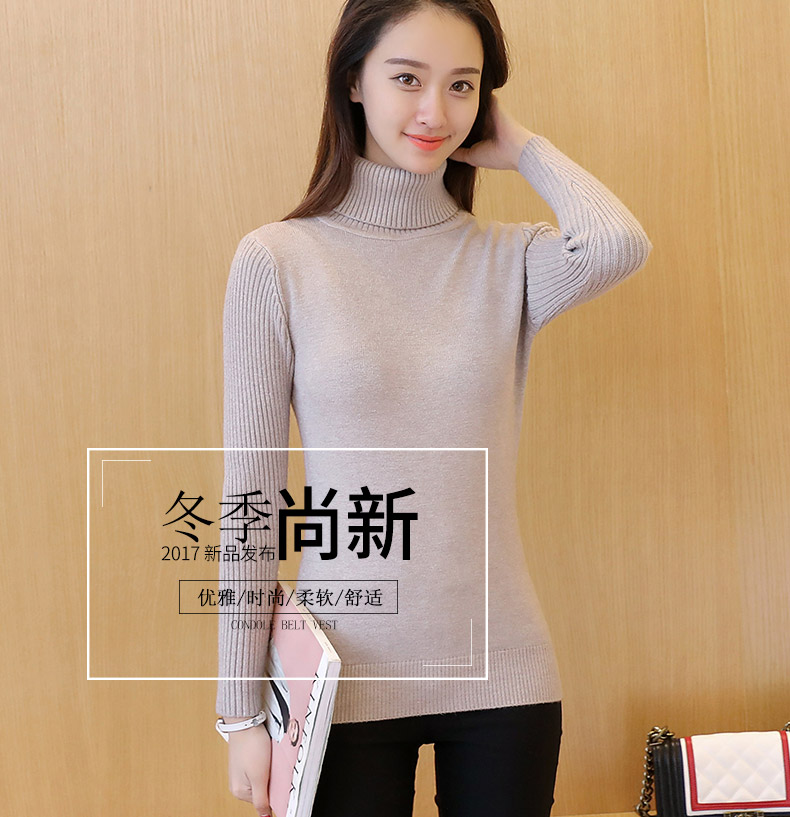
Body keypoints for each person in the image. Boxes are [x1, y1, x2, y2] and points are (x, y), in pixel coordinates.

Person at [214, 1, 653, 816]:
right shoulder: (279, 260)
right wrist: (240, 710)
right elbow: (251, 500)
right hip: (341, 682)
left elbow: (618, 243)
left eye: (462, 85)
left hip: (502, 675)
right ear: (353, 81)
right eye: (407, 78)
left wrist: (523, 148)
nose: (434, 112)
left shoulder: (506, 259)